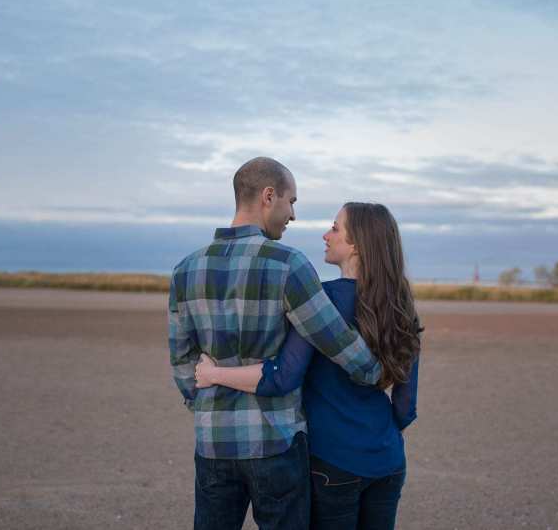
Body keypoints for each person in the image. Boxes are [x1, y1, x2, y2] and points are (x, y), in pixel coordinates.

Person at [168, 158, 382, 530]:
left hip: (213, 442)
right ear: (269, 196)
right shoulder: (289, 264)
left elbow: (182, 361)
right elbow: (337, 341)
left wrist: (205, 406)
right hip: (276, 441)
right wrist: (376, 371)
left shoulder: (186, 269)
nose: (293, 215)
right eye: (291, 201)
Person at [195, 202, 422, 530]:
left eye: (334, 227)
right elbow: (405, 403)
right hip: (387, 460)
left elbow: (283, 376)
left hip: (332, 461)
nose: (325, 235)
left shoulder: (322, 300)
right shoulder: (402, 307)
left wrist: (212, 374)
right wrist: (378, 435)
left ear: (356, 243)